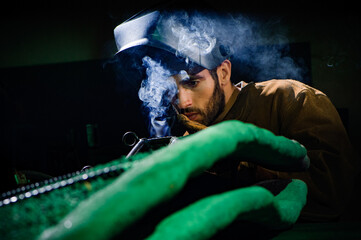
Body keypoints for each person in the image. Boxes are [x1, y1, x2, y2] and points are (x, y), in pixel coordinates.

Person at [113, 9, 359, 222]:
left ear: (223, 72)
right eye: (171, 88)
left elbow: (333, 191)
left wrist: (235, 165)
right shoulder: (187, 137)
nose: (182, 101)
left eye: (192, 82)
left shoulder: (289, 99)